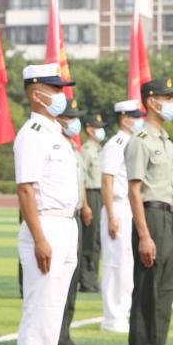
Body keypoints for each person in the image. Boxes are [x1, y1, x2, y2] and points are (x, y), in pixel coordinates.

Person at [13, 63, 79, 345]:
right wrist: (39, 238)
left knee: (53, 312)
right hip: (45, 224)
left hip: (65, 224)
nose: (60, 95)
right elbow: (25, 189)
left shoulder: (56, 133)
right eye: (54, 89)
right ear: (36, 93)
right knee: (39, 310)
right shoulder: (33, 134)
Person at [125, 77, 173, 345]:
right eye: (167, 97)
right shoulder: (141, 141)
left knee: (163, 292)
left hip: (167, 216)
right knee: (148, 290)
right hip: (150, 217)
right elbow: (134, 191)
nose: (171, 103)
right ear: (151, 101)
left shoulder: (165, 141)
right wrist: (145, 235)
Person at [99, 100, 144, 333]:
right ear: (125, 119)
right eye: (135, 117)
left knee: (127, 264)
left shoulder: (131, 142)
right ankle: (112, 318)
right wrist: (111, 215)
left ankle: (122, 313)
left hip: (129, 207)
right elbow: (107, 181)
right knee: (116, 263)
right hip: (117, 206)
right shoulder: (116, 144)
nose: (139, 121)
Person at [56, 99, 90, 345]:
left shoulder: (74, 150)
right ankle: (56, 336)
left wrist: (85, 205)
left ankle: (64, 334)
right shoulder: (55, 146)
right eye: (70, 118)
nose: (75, 122)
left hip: (74, 216)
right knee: (58, 282)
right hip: (59, 217)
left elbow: (80, 184)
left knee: (72, 277)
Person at [78, 112, 106, 293]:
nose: (100, 131)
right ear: (89, 129)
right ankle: (86, 279)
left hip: (101, 194)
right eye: (97, 127)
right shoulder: (86, 151)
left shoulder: (100, 150)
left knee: (98, 239)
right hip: (91, 195)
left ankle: (93, 277)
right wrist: (85, 205)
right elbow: (82, 180)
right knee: (89, 240)